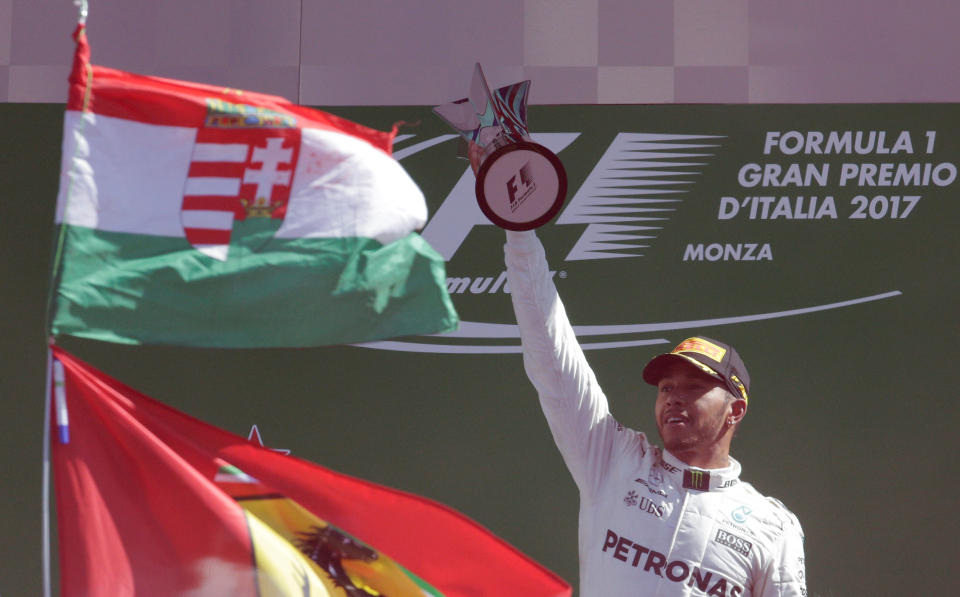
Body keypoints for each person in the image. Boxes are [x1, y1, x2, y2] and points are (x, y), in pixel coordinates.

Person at [502, 228, 807, 597]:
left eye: (694, 387)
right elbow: (552, 355)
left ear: (735, 410)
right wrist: (519, 234)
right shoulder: (615, 461)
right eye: (666, 388)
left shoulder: (773, 526)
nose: (674, 398)